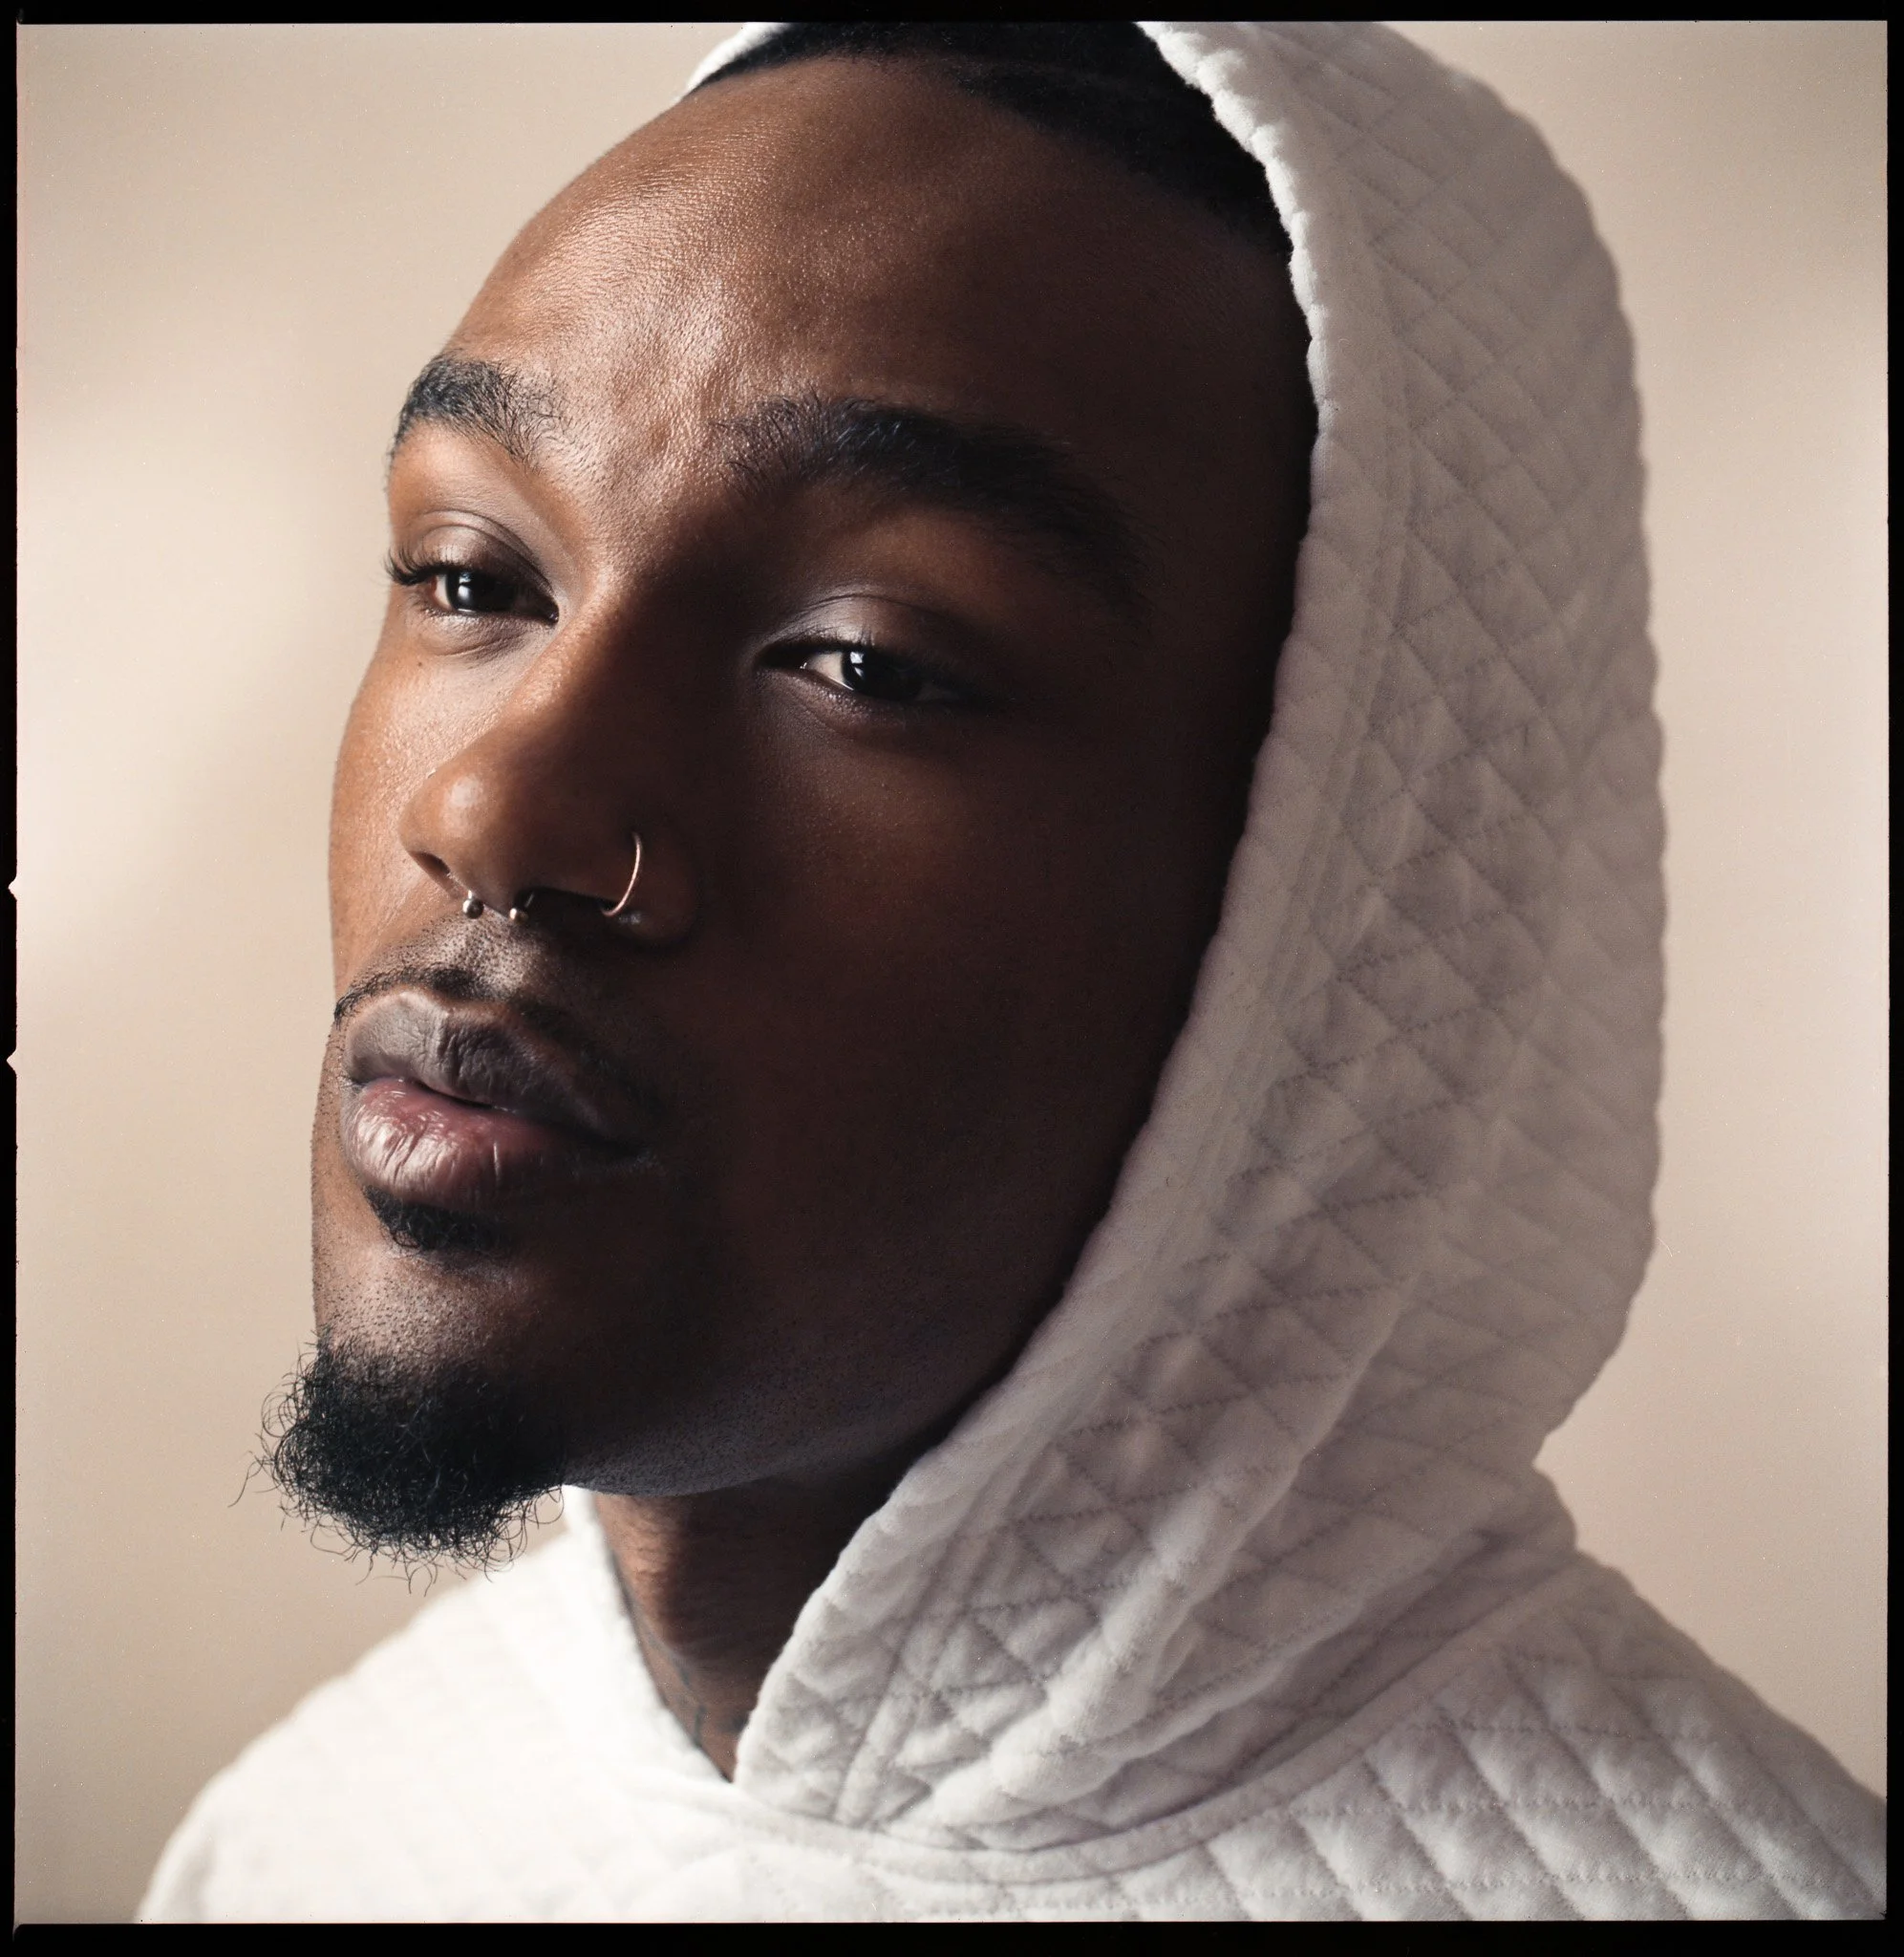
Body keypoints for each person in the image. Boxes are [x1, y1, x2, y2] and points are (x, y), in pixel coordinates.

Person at [139, 22, 1883, 1921]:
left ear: (1342, 904)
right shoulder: (307, 1847)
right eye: (476, 575)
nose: (496, 805)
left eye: (870, 660)